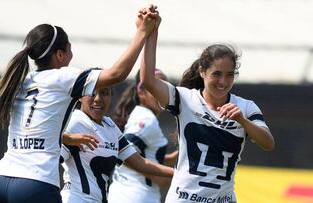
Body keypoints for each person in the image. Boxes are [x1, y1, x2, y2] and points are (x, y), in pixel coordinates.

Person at [0, 5, 159, 202]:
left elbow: (36, 129)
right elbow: (117, 74)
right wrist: (142, 31)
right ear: (59, 55)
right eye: (69, 49)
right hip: (35, 184)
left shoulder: (21, 81)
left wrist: (67, 138)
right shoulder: (62, 77)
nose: (72, 55)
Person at [139, 8, 275, 203]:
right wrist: (151, 32)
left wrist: (242, 121)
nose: (223, 81)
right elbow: (148, 80)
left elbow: (268, 143)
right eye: (217, 74)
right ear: (202, 72)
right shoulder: (184, 99)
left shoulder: (246, 108)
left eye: (230, 75)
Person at [59, 85, 174, 203]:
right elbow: (50, 158)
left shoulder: (110, 126)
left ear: (111, 96)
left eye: (104, 93)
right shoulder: (75, 122)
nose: (98, 99)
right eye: (92, 93)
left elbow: (139, 162)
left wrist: (177, 173)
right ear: (80, 96)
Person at [108, 69, 177, 203]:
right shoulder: (146, 120)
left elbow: (143, 155)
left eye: (164, 87)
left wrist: (171, 158)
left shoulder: (143, 115)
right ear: (141, 92)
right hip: (133, 196)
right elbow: (123, 154)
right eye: (154, 87)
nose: (160, 92)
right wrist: (159, 177)